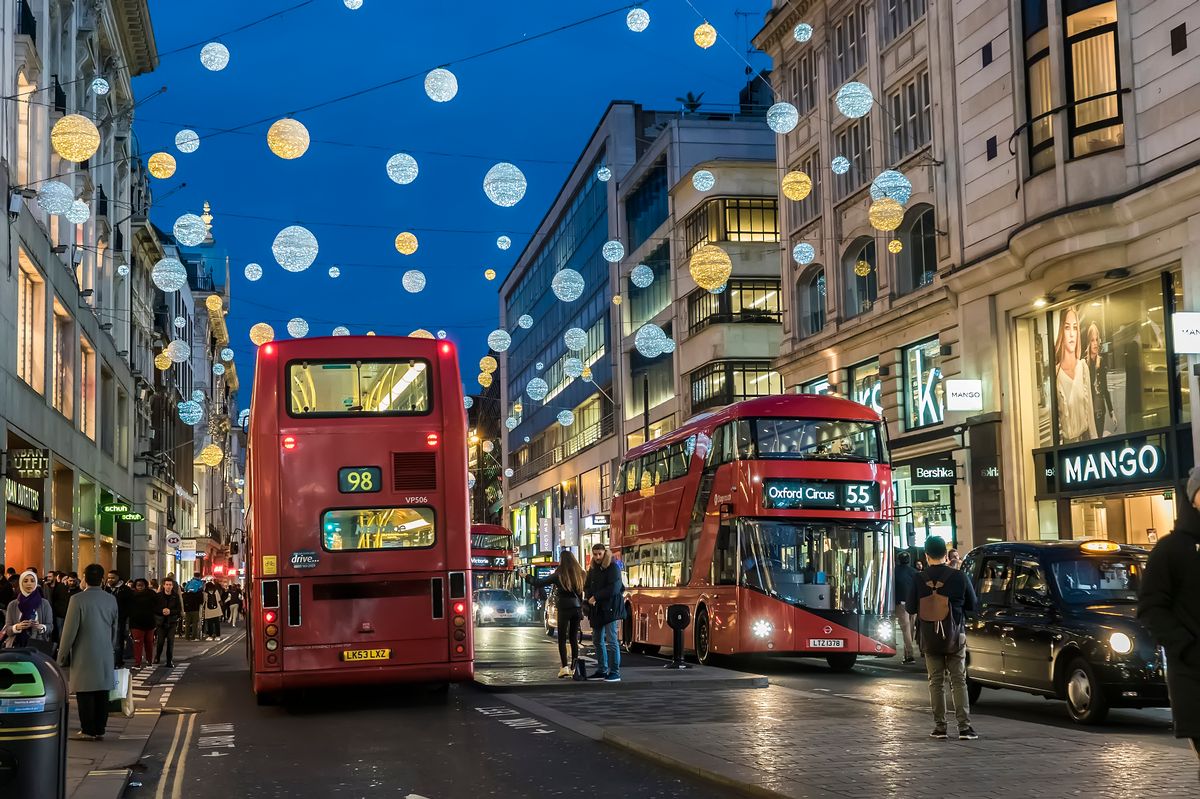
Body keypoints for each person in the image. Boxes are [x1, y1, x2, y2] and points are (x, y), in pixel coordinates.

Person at [1138, 466, 1200, 778]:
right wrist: (1187, 648)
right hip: (1195, 674)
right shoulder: (1172, 549)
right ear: (1194, 497)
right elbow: (1150, 608)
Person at [906, 535, 978, 741]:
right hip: (955, 635)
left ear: (926, 555)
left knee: (935, 681)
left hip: (929, 636)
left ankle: (940, 727)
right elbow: (972, 605)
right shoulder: (959, 577)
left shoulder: (918, 578)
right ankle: (964, 728)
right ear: (946, 555)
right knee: (958, 680)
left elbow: (910, 608)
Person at [57, 564, 118, 741]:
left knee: (85, 692)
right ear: (102, 579)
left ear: (84, 578)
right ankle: (100, 728)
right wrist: (111, 647)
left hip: (84, 653)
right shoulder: (110, 599)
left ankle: (88, 729)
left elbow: (69, 632)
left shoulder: (77, 600)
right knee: (102, 691)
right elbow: (115, 627)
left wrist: (61, 657)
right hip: (105, 651)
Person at [527, 551, 587, 678]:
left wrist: (526, 576)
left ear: (562, 560)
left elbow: (539, 582)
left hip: (564, 608)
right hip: (576, 609)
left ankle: (564, 667)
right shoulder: (581, 573)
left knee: (562, 639)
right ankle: (574, 668)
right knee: (573, 639)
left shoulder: (559, 574)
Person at [1054, 307, 1097, 442]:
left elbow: (1090, 413)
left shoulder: (1083, 367)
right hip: (1066, 446)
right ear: (1061, 331)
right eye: (1067, 328)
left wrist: (1096, 443)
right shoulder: (1056, 374)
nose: (1072, 334)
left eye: (1075, 328)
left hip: (1085, 441)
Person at [584, 544, 624, 683]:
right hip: (597, 609)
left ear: (605, 553)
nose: (597, 557)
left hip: (610, 608)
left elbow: (615, 588)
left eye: (599, 554)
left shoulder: (613, 567)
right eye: (595, 554)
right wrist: (589, 597)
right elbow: (587, 585)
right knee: (597, 640)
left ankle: (614, 672)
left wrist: (596, 597)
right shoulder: (593, 569)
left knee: (612, 640)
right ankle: (602, 669)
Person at [3, 570, 54, 651]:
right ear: (21, 583)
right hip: (17, 646)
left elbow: (50, 627)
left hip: (38, 645)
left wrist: (40, 627)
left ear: (36, 583)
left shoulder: (44, 604)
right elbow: (8, 630)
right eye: (25, 581)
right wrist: (17, 627)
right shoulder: (12, 605)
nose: (29, 583)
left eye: (32, 581)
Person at [1085, 323, 1116, 437]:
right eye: (1092, 340)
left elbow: (1105, 389)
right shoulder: (1084, 363)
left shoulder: (1101, 361)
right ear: (1089, 342)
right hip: (1089, 411)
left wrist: (1112, 411)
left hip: (1100, 409)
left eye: (1097, 340)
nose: (1095, 343)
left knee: (1099, 437)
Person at [126, 578, 158, 669]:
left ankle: (149, 662)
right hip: (136, 623)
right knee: (137, 643)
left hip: (149, 622)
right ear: (135, 586)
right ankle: (137, 663)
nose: (140, 587)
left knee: (149, 642)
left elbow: (157, 605)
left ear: (145, 585)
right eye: (138, 585)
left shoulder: (151, 594)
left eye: (142, 585)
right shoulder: (131, 595)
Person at [894, 551, 918, 664]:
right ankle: (907, 652)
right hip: (913, 603)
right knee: (911, 628)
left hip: (901, 603)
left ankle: (909, 654)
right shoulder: (914, 572)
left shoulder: (894, 571)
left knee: (906, 629)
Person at [155, 577, 184, 668]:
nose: (168, 586)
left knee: (170, 642)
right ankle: (157, 657)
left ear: (172, 586)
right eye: (167, 585)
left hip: (171, 622)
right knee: (160, 642)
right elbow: (154, 608)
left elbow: (178, 609)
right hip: (161, 622)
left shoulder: (175, 596)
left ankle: (169, 661)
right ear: (163, 585)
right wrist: (162, 611)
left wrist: (170, 611)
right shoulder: (158, 596)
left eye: (170, 585)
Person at [50, 572, 80, 647]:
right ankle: (61, 647)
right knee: (61, 633)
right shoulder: (61, 588)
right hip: (60, 615)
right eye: (70, 581)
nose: (72, 582)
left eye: (74, 581)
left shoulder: (78, 592)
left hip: (71, 616)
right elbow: (54, 598)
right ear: (67, 580)